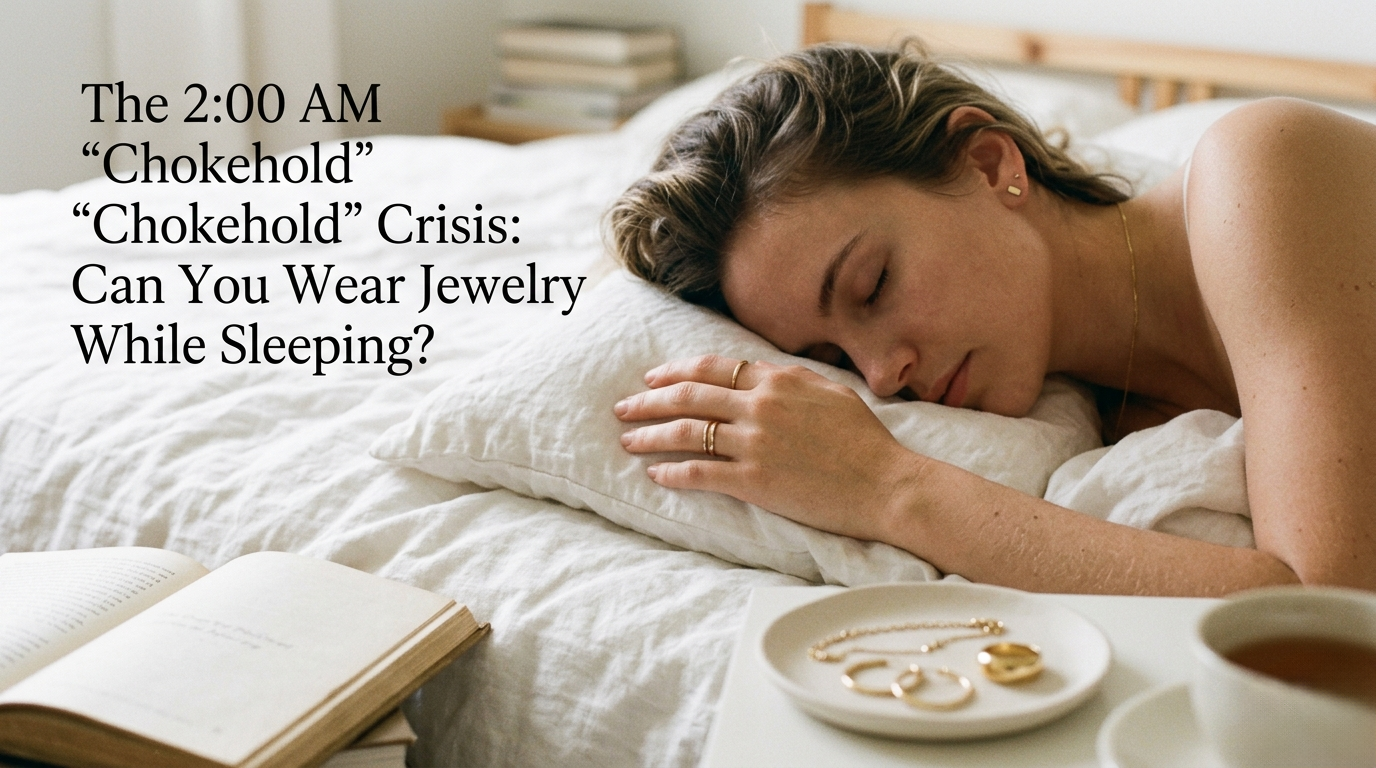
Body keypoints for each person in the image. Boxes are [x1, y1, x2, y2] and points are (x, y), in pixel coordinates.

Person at [606, 43, 1376, 596]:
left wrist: (888, 486)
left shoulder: (1264, 169)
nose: (882, 374)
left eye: (872, 286)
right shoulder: (1117, 424)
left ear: (989, 165)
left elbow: (1333, 614)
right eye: (832, 357)